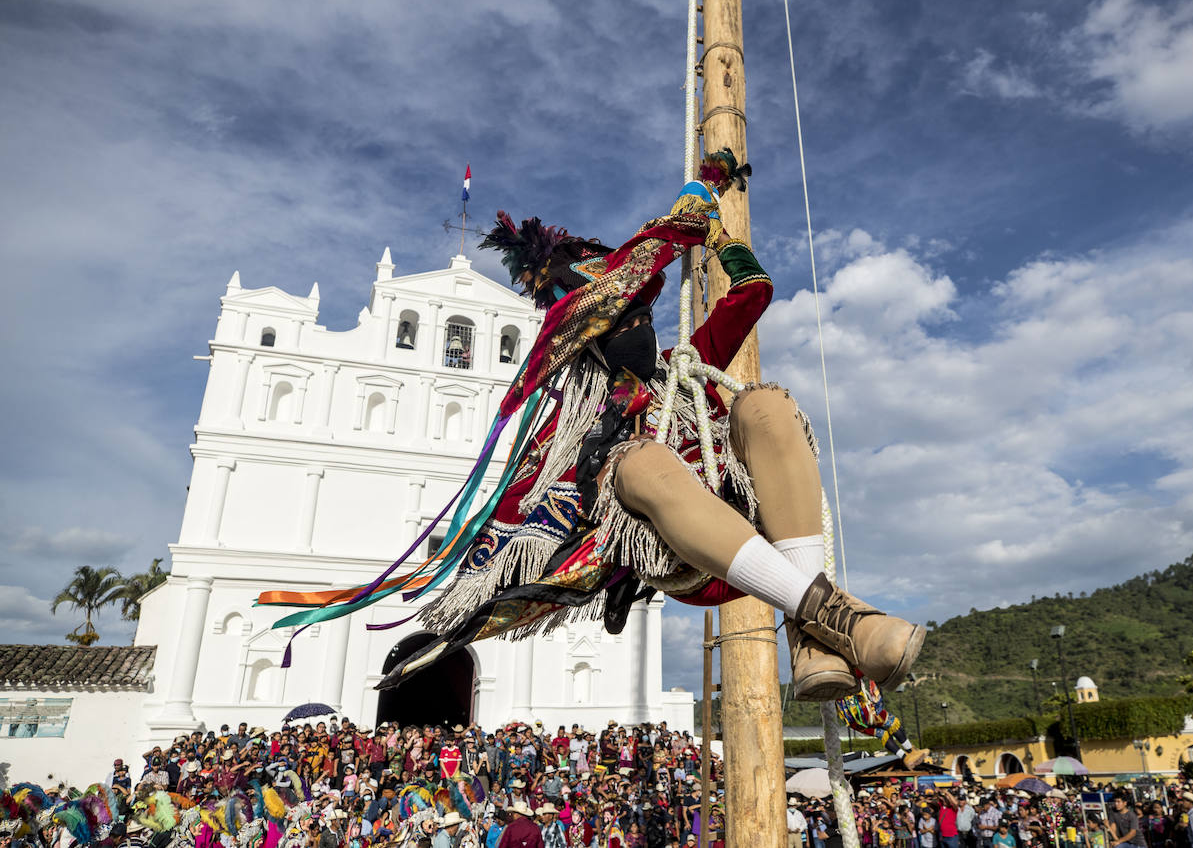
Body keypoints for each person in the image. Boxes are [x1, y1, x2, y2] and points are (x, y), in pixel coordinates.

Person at [262, 150, 925, 702]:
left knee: (765, 405)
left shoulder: (681, 368)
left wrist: (718, 235)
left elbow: (756, 292)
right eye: (624, 321)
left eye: (642, 318)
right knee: (637, 463)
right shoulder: (569, 429)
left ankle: (811, 642)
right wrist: (691, 205)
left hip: (748, 519)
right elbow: (517, 537)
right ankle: (839, 616)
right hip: (678, 552)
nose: (640, 327)